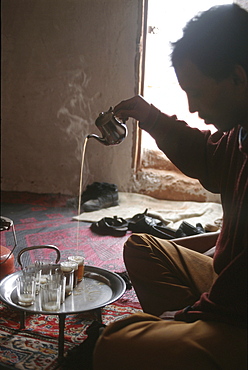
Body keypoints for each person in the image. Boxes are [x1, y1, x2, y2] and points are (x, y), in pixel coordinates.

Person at [93, 4, 247, 370]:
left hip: (242, 311)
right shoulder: (239, 132)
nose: (192, 107)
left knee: (113, 343)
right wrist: (149, 116)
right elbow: (208, 159)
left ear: (238, 78)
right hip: (231, 286)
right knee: (143, 248)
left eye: (197, 92)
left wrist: (188, 316)